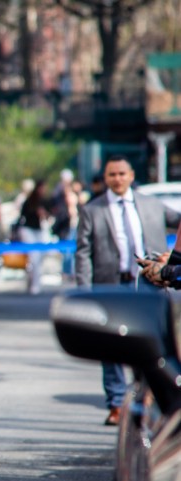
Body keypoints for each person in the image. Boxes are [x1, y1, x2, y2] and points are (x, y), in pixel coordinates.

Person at [75, 155, 170, 426]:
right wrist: (84, 291)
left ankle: (148, 399)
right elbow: (83, 253)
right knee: (110, 346)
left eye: (121, 174)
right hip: (111, 285)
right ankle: (116, 403)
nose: (117, 179)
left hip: (148, 283)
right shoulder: (92, 210)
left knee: (149, 343)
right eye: (111, 175)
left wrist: (172, 260)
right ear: (105, 179)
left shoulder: (151, 205)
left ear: (130, 175)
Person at [16, 180, 51, 295]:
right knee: (34, 257)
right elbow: (22, 216)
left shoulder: (43, 201)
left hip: (38, 230)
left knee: (39, 257)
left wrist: (44, 214)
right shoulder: (30, 201)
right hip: (28, 230)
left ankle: (34, 281)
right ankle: (34, 285)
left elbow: (48, 216)